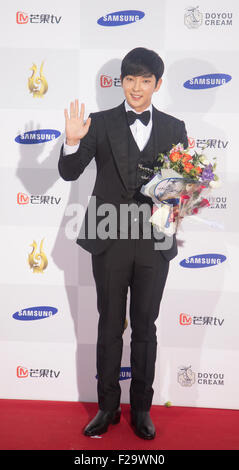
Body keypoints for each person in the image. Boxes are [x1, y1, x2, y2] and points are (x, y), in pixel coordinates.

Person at [58, 47, 188, 439]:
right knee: (110, 324)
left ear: (157, 84)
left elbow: (181, 192)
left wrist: (182, 187)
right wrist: (71, 141)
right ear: (121, 81)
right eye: (129, 79)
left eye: (145, 80)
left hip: (153, 240)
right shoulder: (97, 124)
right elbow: (68, 172)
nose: (136, 87)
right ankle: (107, 408)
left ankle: (143, 410)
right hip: (109, 239)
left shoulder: (174, 127)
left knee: (146, 327)